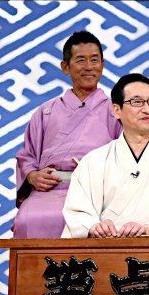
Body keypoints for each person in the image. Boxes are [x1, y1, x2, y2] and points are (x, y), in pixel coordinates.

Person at [13, 31, 122, 238]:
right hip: (50, 189)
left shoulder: (116, 111)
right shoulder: (45, 111)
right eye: (81, 60)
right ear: (65, 67)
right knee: (27, 220)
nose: (89, 67)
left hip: (98, 190)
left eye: (95, 60)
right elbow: (27, 156)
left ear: (103, 65)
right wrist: (33, 176)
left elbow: (126, 156)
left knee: (108, 222)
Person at [62, 73, 149, 238]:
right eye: (137, 102)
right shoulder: (94, 160)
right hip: (105, 246)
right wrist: (94, 226)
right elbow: (77, 210)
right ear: (117, 110)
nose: (147, 109)